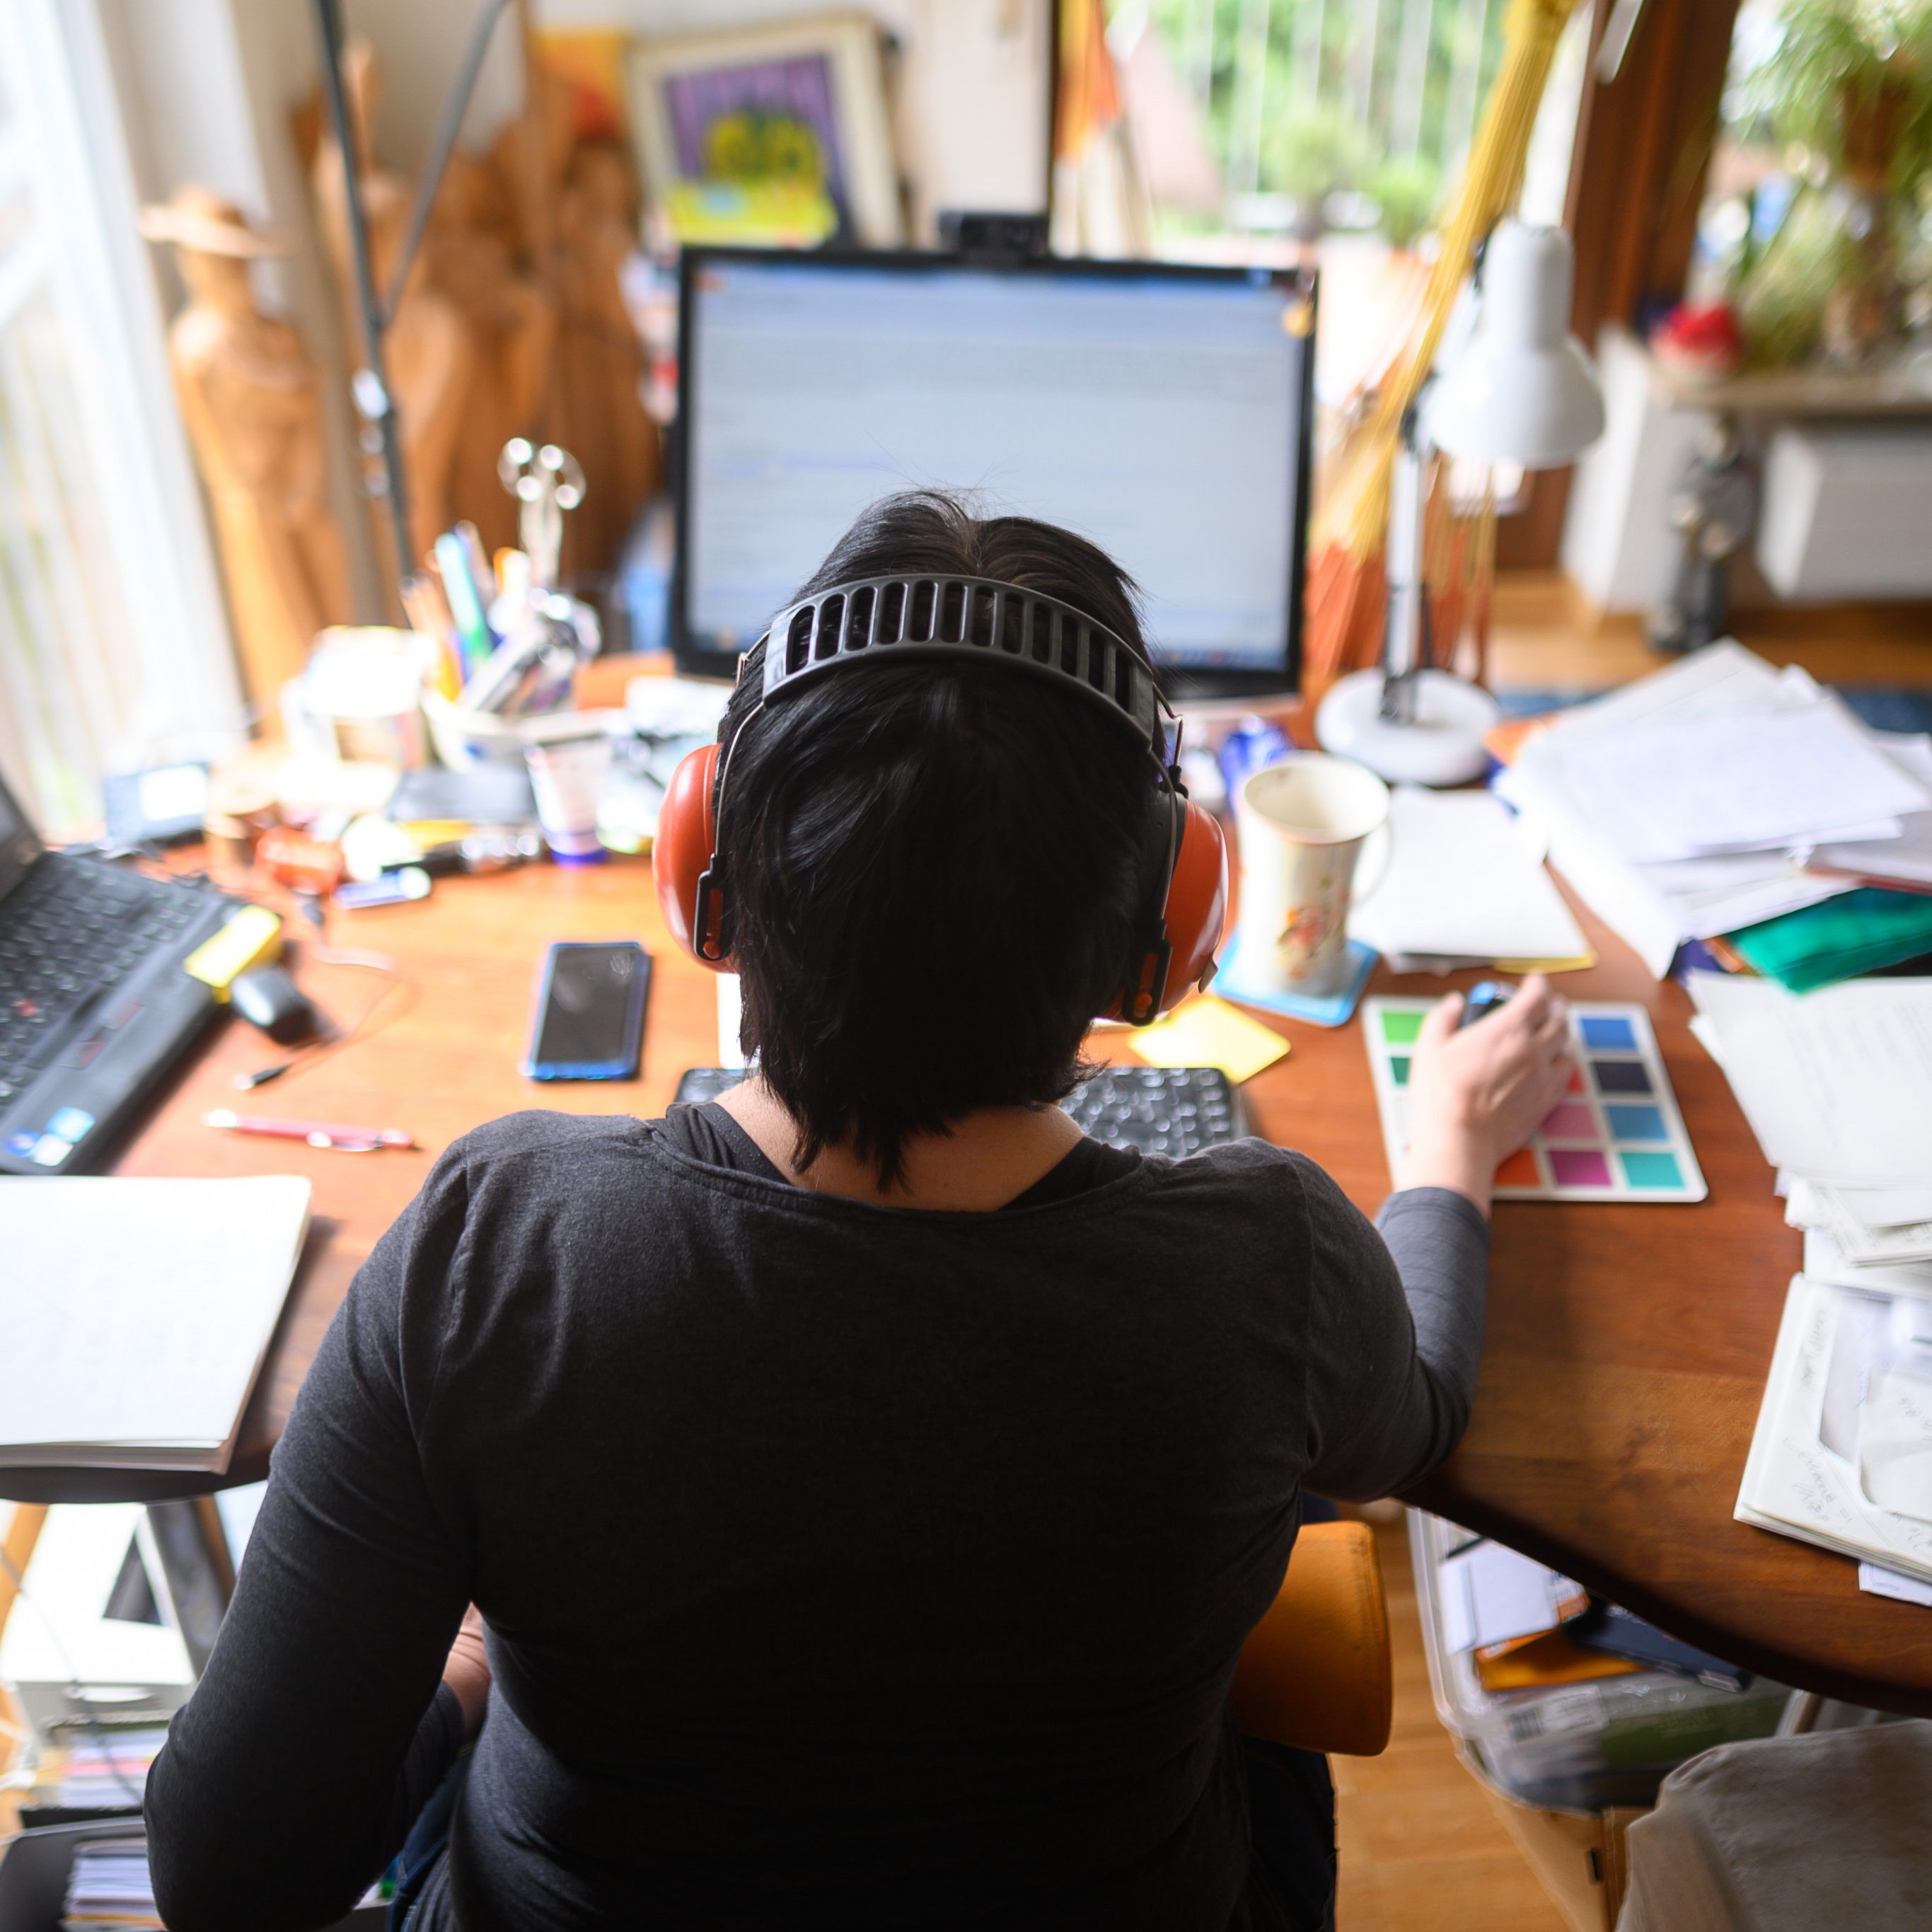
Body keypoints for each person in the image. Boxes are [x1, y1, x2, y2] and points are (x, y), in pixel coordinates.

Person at [146, 491, 1573, 1932]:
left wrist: (464, 1671)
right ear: (1161, 931)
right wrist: (1447, 1147)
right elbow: (1419, 1415)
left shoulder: (493, 1247)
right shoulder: (1270, 1263)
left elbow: (227, 1877)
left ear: (705, 869)